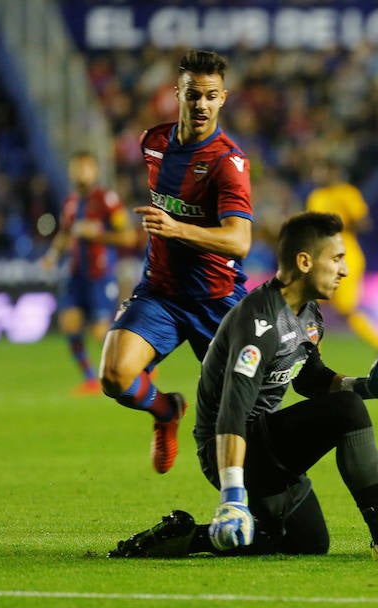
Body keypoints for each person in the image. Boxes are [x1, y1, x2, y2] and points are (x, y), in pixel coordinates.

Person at [108, 211, 378, 563]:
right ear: (305, 261)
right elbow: (233, 410)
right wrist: (232, 496)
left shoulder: (308, 313)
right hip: (232, 449)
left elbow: (311, 379)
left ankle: (186, 536)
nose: (345, 270)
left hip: (265, 449)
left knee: (307, 541)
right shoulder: (258, 321)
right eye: (337, 258)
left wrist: (369, 386)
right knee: (348, 412)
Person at [99, 49, 253, 475]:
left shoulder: (228, 162)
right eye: (192, 94)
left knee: (240, 417)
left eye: (210, 96)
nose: (200, 104)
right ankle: (166, 411)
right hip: (161, 293)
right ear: (177, 93)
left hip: (216, 301)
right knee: (114, 376)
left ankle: (249, 504)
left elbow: (240, 242)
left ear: (223, 98)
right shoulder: (153, 143)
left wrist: (176, 229)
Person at [41, 151, 137, 395]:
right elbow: (65, 233)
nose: (79, 173)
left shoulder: (107, 199)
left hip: (100, 273)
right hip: (76, 273)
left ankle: (140, 363)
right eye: (76, 167)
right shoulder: (71, 202)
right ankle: (90, 379)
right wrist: (52, 256)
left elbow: (128, 235)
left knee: (99, 331)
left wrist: (96, 234)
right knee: (69, 322)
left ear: (94, 171)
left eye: (85, 168)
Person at [305, 160, 378, 351]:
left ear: (333, 172)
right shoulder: (316, 196)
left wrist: (337, 226)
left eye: (323, 170)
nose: (318, 175)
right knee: (310, 305)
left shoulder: (347, 193)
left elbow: (364, 223)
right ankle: (311, 353)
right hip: (322, 257)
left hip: (346, 255)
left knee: (346, 309)